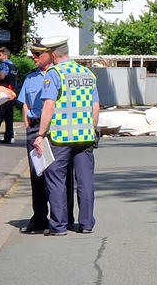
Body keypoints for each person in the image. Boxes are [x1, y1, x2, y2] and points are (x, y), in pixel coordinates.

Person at [33, 37, 100, 236]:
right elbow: (96, 107)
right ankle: (86, 224)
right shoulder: (87, 73)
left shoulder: (54, 74)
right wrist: (92, 129)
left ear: (53, 54)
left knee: (56, 181)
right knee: (85, 181)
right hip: (85, 136)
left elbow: (49, 105)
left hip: (60, 137)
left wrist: (40, 134)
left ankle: (59, 226)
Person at [16, 40, 54, 233]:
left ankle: (61, 218)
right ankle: (39, 217)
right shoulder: (31, 78)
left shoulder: (57, 74)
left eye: (38, 54)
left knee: (57, 175)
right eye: (33, 53)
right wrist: (28, 127)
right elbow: (26, 104)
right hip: (35, 127)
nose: (34, 57)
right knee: (37, 174)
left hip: (54, 128)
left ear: (49, 54)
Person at [0, 47, 19, 144]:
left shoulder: (3, 65)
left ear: (5, 55)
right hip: (12, 92)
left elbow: (2, 76)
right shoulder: (13, 66)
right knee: (9, 116)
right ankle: (8, 137)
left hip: (3, 93)